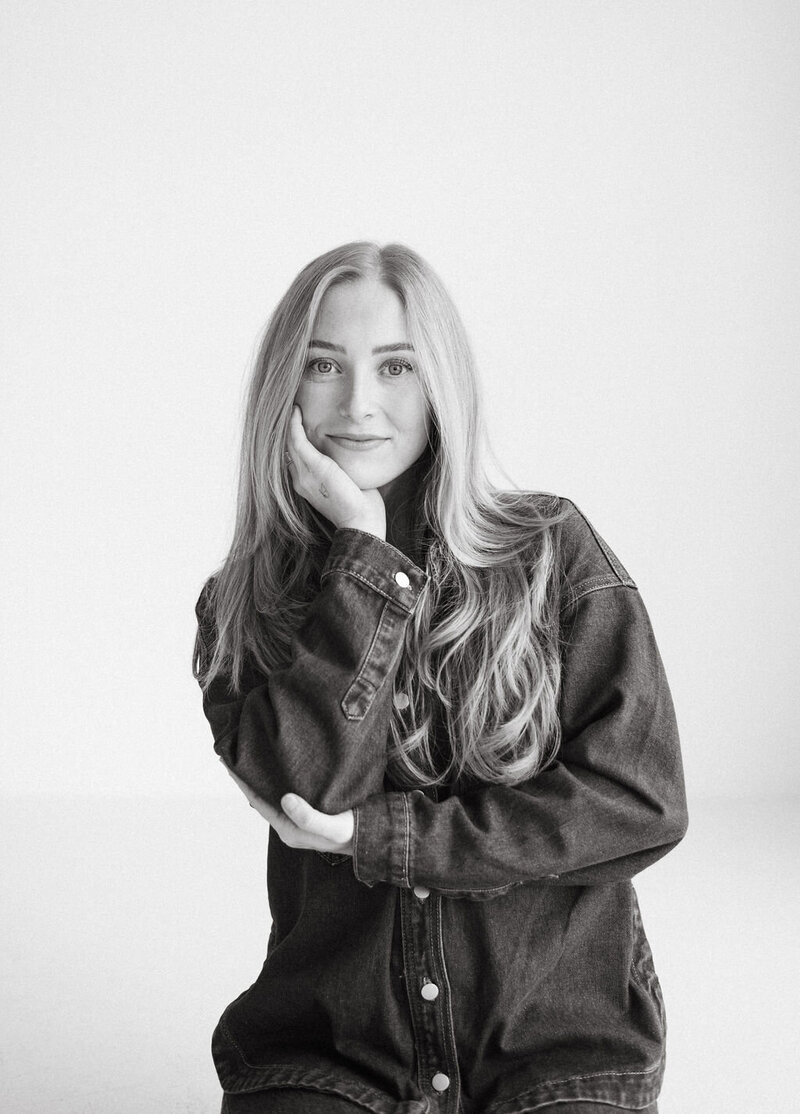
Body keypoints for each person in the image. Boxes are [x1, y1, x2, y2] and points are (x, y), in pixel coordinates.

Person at [192, 241, 688, 1114]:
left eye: (397, 367)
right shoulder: (246, 603)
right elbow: (309, 796)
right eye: (323, 365)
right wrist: (364, 556)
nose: (358, 403)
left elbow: (638, 801)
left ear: (441, 387)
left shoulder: (552, 554)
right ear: (285, 389)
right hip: (334, 1054)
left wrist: (396, 841)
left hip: (554, 1050)